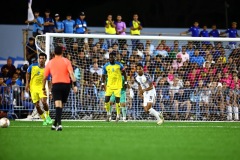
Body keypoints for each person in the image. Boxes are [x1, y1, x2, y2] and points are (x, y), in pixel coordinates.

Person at [43, 46, 78, 131]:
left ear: (54, 53)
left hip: (56, 85)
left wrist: (43, 88)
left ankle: (59, 124)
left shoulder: (50, 63)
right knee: (61, 106)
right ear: (62, 53)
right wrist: (75, 85)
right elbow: (71, 73)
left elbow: (44, 77)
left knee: (58, 105)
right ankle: (55, 124)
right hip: (66, 86)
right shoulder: (67, 61)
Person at [25, 53, 52, 125]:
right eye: (40, 58)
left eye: (43, 58)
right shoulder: (32, 66)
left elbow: (49, 81)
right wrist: (27, 83)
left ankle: (48, 116)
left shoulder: (47, 70)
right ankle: (44, 119)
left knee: (44, 102)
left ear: (45, 59)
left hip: (42, 88)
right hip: (33, 88)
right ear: (38, 59)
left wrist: (50, 92)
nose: (41, 60)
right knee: (37, 106)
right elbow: (27, 73)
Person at [101, 52, 127, 122]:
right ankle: (108, 114)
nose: (111, 58)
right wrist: (103, 83)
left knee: (117, 101)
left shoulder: (119, 65)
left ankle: (118, 115)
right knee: (106, 100)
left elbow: (124, 73)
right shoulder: (106, 66)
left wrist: (125, 82)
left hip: (118, 86)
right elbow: (103, 75)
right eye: (110, 57)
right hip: (109, 86)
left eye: (112, 57)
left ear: (115, 58)